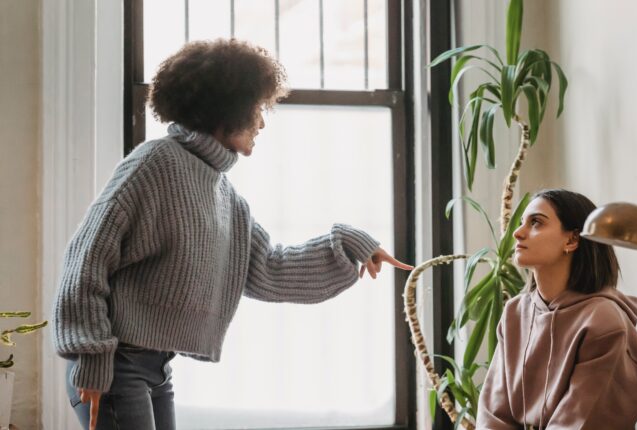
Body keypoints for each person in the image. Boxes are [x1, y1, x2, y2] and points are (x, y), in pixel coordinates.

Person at [52, 39, 413, 430]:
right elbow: (85, 261)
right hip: (113, 364)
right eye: (257, 109)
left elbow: (269, 269)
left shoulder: (224, 195)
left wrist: (348, 244)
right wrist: (90, 356)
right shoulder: (154, 164)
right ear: (226, 109)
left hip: (155, 367)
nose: (261, 123)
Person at [476, 189, 637, 430]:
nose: (517, 232)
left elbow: (580, 422)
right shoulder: (515, 312)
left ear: (572, 240)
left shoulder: (603, 322)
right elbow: (493, 413)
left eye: (535, 222)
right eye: (521, 222)